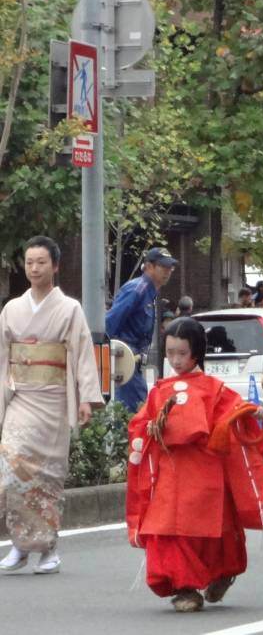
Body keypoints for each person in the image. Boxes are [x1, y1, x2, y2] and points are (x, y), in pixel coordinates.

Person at [126, 317, 263, 612]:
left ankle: (222, 573)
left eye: (182, 353)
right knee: (167, 530)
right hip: (170, 475)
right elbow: (140, 423)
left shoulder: (216, 389)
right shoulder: (160, 389)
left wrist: (250, 412)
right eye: (170, 353)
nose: (175, 360)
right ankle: (184, 587)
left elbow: (235, 413)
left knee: (211, 529)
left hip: (205, 472)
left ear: (197, 352)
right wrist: (148, 429)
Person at [0, 236, 104, 574]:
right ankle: (19, 544)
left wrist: (87, 397)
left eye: (41, 262)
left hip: (54, 399)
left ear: (55, 266)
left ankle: (48, 550)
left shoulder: (70, 308)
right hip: (20, 397)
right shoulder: (11, 309)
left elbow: (83, 353)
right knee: (11, 471)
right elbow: (4, 356)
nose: (34, 268)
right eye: (29, 262)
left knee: (46, 479)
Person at [106, 247, 178, 411]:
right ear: (149, 266)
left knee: (137, 413)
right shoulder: (137, 290)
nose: (167, 271)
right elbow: (110, 323)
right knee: (134, 415)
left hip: (133, 364)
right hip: (125, 361)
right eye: (163, 267)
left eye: (170, 268)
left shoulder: (150, 292)